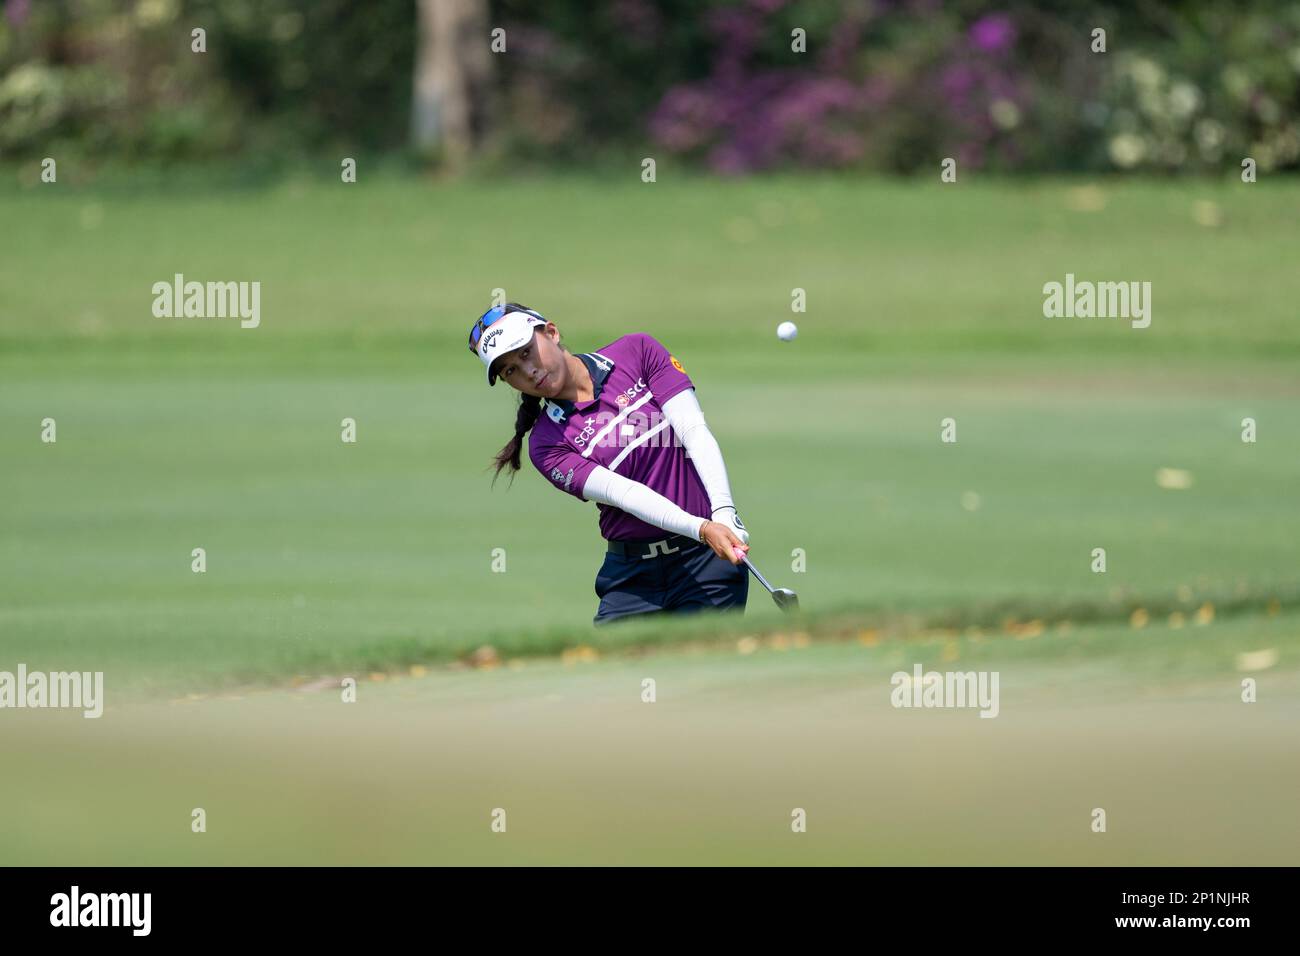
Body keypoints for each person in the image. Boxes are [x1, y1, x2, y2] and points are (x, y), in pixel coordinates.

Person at [469, 302, 750, 625]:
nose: (527, 371)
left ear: (551, 332)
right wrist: (702, 528)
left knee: (700, 668)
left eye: (525, 352)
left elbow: (694, 431)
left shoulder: (636, 352)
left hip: (706, 563)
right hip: (632, 579)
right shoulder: (546, 445)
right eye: (510, 371)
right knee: (613, 671)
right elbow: (624, 493)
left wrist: (724, 513)